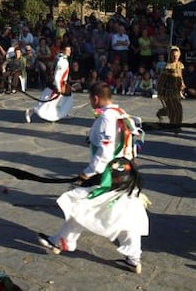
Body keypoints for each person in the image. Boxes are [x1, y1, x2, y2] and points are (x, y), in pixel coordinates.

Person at [37, 82, 149, 274]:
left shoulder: (106, 118)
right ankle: (133, 258)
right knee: (126, 215)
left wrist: (88, 172)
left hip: (107, 175)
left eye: (90, 99)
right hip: (126, 173)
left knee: (81, 205)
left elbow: (105, 152)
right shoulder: (122, 114)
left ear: (95, 98)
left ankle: (61, 241)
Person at [24, 45, 73, 123]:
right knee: (49, 101)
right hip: (58, 84)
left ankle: (63, 113)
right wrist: (58, 87)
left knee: (66, 98)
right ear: (63, 51)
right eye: (67, 50)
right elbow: (57, 75)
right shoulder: (61, 61)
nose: (69, 51)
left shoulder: (62, 59)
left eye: (70, 50)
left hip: (62, 83)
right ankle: (32, 111)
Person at [156, 45, 185, 131]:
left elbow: (180, 76)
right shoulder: (167, 67)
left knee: (178, 109)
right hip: (168, 92)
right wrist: (160, 92)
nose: (175, 57)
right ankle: (173, 126)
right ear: (170, 56)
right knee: (174, 109)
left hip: (176, 91)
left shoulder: (180, 65)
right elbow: (161, 81)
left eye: (176, 55)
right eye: (173, 55)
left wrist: (182, 84)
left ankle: (177, 125)